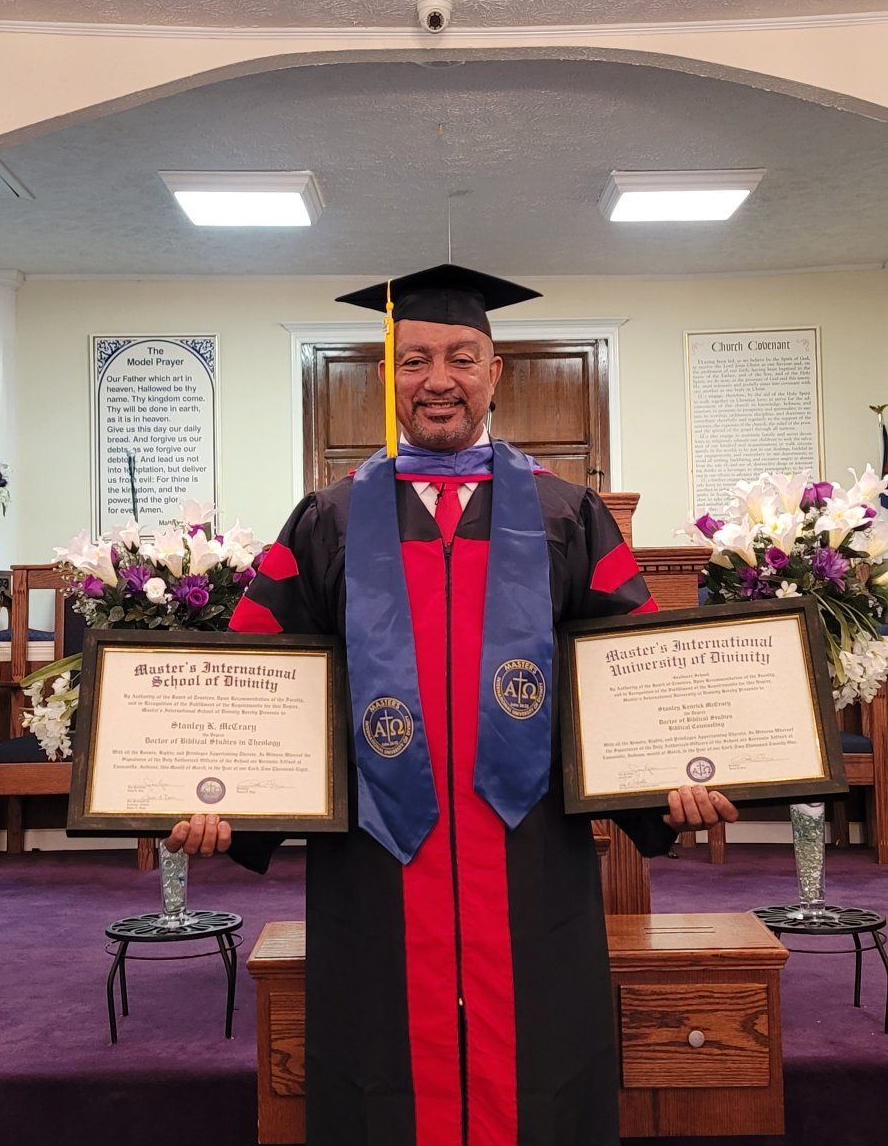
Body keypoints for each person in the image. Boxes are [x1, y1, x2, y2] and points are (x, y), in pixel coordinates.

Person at [166, 264, 738, 1146]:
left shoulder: (566, 514)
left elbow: (633, 679)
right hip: (377, 857)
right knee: (382, 1059)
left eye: (462, 357)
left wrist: (674, 780)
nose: (439, 379)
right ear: (387, 375)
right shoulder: (326, 520)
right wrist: (221, 798)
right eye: (416, 359)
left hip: (529, 850)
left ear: (495, 371)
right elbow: (260, 679)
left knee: (541, 1061)